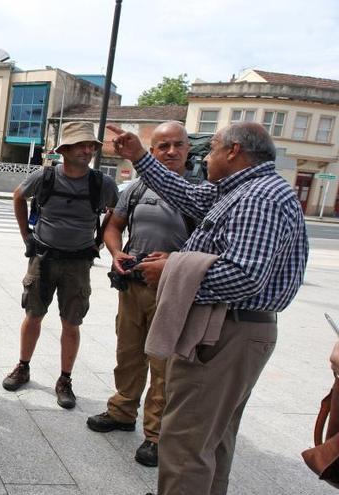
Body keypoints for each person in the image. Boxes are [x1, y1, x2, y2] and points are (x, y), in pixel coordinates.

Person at [109, 121, 308, 495]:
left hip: (228, 330)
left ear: (233, 152)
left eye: (211, 148)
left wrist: (172, 271)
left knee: (186, 440)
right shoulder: (242, 190)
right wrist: (138, 155)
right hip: (231, 328)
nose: (205, 156)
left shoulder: (259, 197)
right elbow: (187, 194)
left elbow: (244, 276)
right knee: (210, 439)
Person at [85, 121, 195, 468]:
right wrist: (116, 252)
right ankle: (121, 410)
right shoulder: (137, 187)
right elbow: (113, 226)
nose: (171, 152)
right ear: (153, 149)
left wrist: (176, 263)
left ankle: (156, 435)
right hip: (133, 286)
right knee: (128, 352)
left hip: (173, 292)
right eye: (163, 146)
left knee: (164, 365)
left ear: (188, 150)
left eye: (178, 145)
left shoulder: (199, 190)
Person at [2, 121, 118, 410]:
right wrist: (26, 235)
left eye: (91, 145)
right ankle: (23, 367)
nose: (88, 149)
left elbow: (117, 211)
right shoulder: (45, 176)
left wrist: (99, 241)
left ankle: (65, 379)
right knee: (33, 314)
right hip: (43, 258)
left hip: (78, 262)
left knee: (72, 322)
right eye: (82, 145)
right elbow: (18, 196)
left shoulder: (101, 183)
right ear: (64, 149)